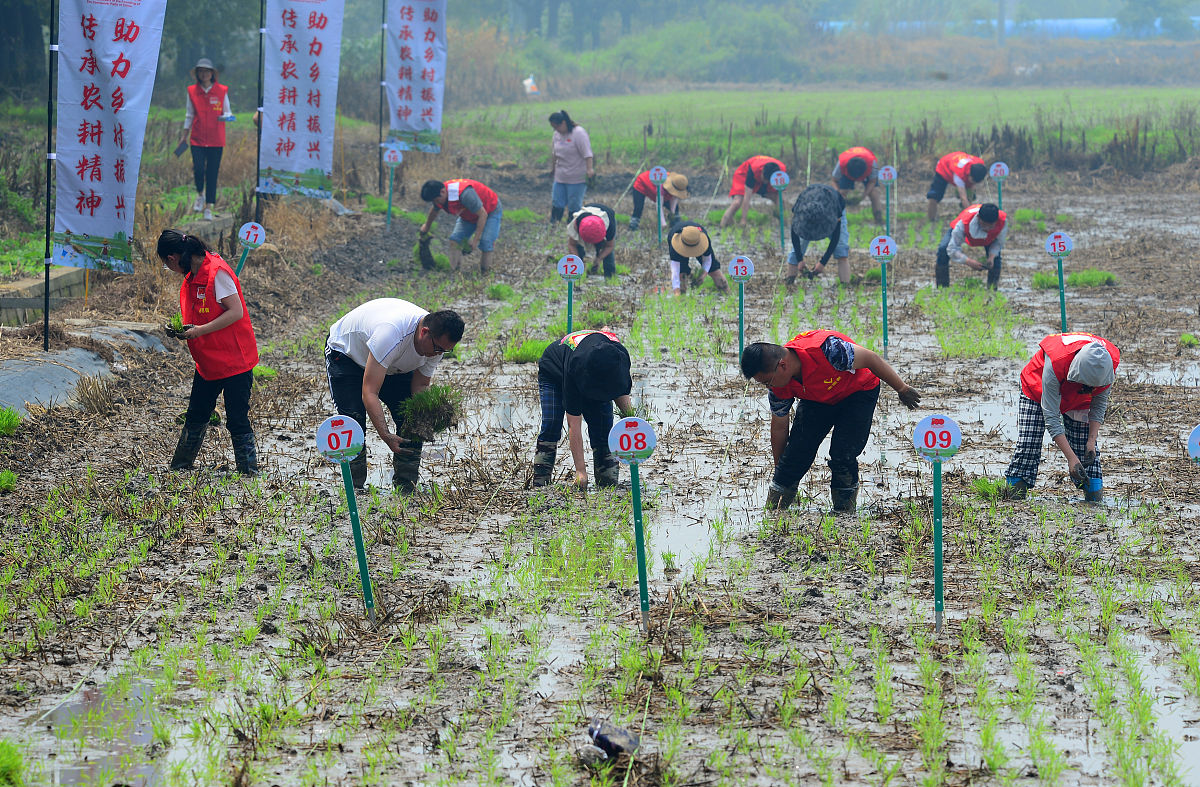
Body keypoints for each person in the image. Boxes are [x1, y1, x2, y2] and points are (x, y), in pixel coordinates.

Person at [740, 332, 921, 513]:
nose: (768, 387)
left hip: (857, 392)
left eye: (767, 382)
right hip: (818, 398)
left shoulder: (829, 350)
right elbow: (779, 428)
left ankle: (844, 512)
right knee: (797, 451)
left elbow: (871, 359)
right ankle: (776, 510)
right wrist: (782, 472)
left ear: (782, 365)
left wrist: (902, 388)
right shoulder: (779, 386)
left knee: (843, 452)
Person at [325, 299, 465, 492]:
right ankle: (355, 488)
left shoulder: (436, 344)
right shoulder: (391, 335)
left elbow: (421, 385)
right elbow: (369, 392)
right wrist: (385, 434)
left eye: (445, 351)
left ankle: (406, 486)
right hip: (347, 356)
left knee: (412, 417)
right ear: (424, 332)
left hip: (390, 362)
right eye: (438, 349)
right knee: (353, 420)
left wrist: (428, 413)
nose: (438, 354)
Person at [158, 230, 260, 476]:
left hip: (235, 359)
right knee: (196, 413)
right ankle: (181, 466)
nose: (169, 269)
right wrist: (181, 329)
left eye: (165, 265)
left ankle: (249, 472)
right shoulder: (192, 275)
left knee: (237, 418)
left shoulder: (216, 272)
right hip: (208, 359)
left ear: (172, 258)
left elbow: (235, 312)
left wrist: (200, 330)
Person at [1002, 333, 1120, 503]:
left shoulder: (1108, 365)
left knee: (1087, 454)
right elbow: (1051, 416)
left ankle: (1093, 500)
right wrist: (1071, 458)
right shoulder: (1057, 360)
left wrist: (1091, 441)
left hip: (1078, 398)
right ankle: (1015, 498)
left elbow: (1099, 405)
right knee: (1028, 444)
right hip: (1037, 390)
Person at [532, 329, 633, 490]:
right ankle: (540, 485)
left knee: (603, 429)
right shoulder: (575, 368)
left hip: (593, 371)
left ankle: (607, 483)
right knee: (551, 424)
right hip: (555, 373)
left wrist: (632, 423)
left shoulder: (619, 358)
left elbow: (621, 393)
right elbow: (574, 424)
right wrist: (580, 471)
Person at [179, 58, 231, 222]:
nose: (204, 74)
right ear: (197, 74)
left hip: (216, 139)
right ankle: (200, 194)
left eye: (207, 71)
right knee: (199, 169)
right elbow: (189, 114)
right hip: (197, 138)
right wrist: (184, 136)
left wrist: (226, 117)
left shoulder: (221, 90)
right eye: (201, 71)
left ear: (212, 74)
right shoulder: (192, 91)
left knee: (212, 173)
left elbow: (228, 112)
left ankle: (209, 206)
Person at [419, 178, 502, 274]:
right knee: (454, 240)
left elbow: (483, 215)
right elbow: (435, 210)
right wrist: (427, 226)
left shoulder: (465, 194)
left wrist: (475, 240)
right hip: (469, 214)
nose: (437, 203)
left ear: (443, 191)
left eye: (437, 200)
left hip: (490, 210)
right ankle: (454, 273)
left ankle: (485, 273)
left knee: (486, 242)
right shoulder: (439, 195)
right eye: (434, 202)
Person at [786, 184, 851, 287]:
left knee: (841, 249)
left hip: (833, 206)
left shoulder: (833, 210)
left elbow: (835, 237)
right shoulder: (801, 210)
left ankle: (845, 287)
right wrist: (799, 260)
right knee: (797, 249)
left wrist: (822, 263)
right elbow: (794, 233)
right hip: (808, 207)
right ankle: (788, 284)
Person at [935, 203, 1006, 288]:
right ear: (978, 218)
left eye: (990, 226)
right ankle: (942, 288)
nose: (987, 229)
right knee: (943, 249)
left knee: (995, 259)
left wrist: (991, 256)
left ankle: (992, 288)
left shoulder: (1002, 221)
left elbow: (998, 243)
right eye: (984, 225)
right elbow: (952, 248)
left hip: (989, 239)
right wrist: (968, 261)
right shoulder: (963, 224)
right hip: (964, 229)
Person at [549, 110, 594, 223]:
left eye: (557, 127)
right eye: (554, 128)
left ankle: (572, 226)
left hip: (576, 177)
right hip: (560, 175)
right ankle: (554, 224)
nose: (556, 130)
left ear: (564, 123)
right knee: (557, 202)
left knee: (574, 204)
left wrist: (589, 169)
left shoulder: (578, 133)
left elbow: (587, 154)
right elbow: (554, 153)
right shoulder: (556, 135)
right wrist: (553, 168)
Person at [720, 156, 786, 227]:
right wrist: (743, 219)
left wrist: (782, 215)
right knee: (737, 202)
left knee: (776, 197)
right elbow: (747, 197)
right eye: (764, 178)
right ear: (762, 171)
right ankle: (724, 223)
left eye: (767, 181)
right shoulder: (753, 170)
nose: (765, 182)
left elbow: (780, 194)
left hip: (764, 178)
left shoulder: (781, 172)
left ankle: (782, 220)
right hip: (743, 175)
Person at [667, 220, 728, 295]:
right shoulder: (675, 246)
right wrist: (676, 291)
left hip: (697, 238)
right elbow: (675, 271)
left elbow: (708, 260)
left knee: (713, 268)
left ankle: (726, 291)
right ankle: (681, 297)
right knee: (681, 271)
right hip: (679, 239)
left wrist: (703, 275)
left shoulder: (704, 240)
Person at [926, 151, 986, 222]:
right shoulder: (959, 175)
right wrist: (973, 217)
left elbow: (972, 188)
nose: (974, 183)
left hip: (957, 161)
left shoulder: (980, 166)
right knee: (934, 196)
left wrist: (970, 196)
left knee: (970, 195)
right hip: (943, 168)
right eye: (973, 181)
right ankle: (931, 220)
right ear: (969, 174)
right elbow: (963, 198)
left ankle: (964, 217)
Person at [831, 146, 883, 223]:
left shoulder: (872, 163)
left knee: (874, 193)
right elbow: (834, 180)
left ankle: (878, 219)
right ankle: (837, 220)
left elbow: (872, 181)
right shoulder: (841, 163)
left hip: (866, 170)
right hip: (847, 173)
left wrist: (863, 195)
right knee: (841, 193)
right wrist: (838, 193)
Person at [567, 203, 617, 278]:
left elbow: (609, 246)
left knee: (608, 256)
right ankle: (578, 275)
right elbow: (572, 245)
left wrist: (599, 258)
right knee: (578, 248)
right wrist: (578, 261)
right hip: (585, 221)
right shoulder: (577, 222)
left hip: (606, 217)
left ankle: (610, 276)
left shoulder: (609, 225)